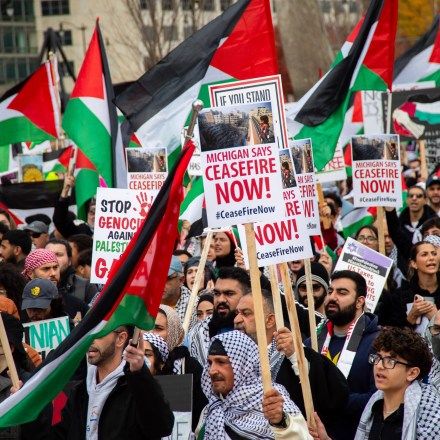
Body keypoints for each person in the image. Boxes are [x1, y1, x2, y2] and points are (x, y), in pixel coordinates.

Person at [19, 325, 175, 439]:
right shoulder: (79, 392)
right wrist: (26, 410)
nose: (91, 341)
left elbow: (161, 427)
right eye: (89, 334)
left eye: (99, 334)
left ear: (120, 338)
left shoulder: (135, 389)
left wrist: (140, 374)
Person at [234, 290, 349, 426]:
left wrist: (296, 355)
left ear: (270, 320)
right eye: (237, 313)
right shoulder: (232, 355)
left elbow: (330, 395)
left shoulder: (293, 353)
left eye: (246, 313)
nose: (236, 320)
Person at [196, 330, 310, 439]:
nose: (212, 371)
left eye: (221, 362)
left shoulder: (272, 400)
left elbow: (301, 436)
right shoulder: (211, 410)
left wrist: (280, 422)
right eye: (210, 363)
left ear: (244, 366)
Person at [308, 270, 380, 440]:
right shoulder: (312, 341)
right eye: (330, 291)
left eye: (342, 292)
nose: (332, 297)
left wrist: (330, 400)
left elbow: (378, 398)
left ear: (359, 301)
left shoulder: (379, 343)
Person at [151, 304, 207, 430]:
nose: (151, 334)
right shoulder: (133, 366)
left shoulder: (189, 367)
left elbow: (199, 410)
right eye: (147, 327)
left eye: (158, 328)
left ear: (173, 333)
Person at [189, 266, 250, 366]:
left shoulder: (258, 329)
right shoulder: (198, 332)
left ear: (246, 295)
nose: (221, 299)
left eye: (229, 293)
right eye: (217, 293)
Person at [378, 241, 439, 329]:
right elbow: (392, 336)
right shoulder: (400, 296)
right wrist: (410, 318)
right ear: (414, 263)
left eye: (434, 254)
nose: (431, 258)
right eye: (424, 254)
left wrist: (436, 319)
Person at [22, 249, 88, 320]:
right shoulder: (19, 304)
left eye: (55, 267)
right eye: (46, 269)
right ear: (30, 274)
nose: (53, 273)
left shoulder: (76, 304)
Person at [46, 239, 97, 304]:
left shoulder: (86, 287)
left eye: (58, 254)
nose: (52, 258)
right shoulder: (32, 284)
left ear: (69, 260)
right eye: (48, 255)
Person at [162, 255, 196, 330]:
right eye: (157, 278)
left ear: (181, 280)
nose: (160, 283)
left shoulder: (194, 306)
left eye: (167, 278)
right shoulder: (145, 301)